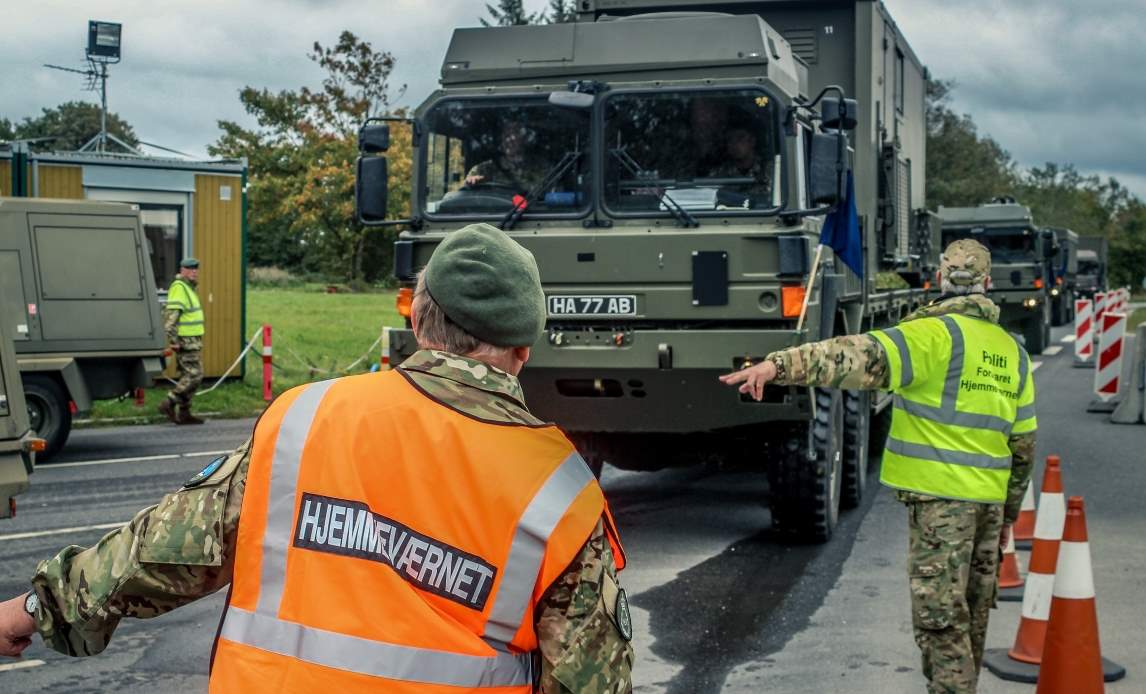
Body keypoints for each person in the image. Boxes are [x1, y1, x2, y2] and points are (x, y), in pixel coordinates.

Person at [0, 223, 635, 693]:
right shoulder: (559, 492)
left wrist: (36, 609)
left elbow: (168, 547)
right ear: (524, 347)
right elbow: (592, 680)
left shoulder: (304, 418)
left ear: (418, 319)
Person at [720, 239, 1037, 694]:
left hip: (941, 507)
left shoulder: (933, 336)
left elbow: (851, 355)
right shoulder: (1013, 353)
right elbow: (1023, 447)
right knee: (971, 622)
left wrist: (777, 365)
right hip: (987, 506)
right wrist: (1007, 517)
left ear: (940, 279)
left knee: (941, 626)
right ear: (988, 284)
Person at [160, 257, 205, 425]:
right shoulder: (179, 288)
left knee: (191, 375)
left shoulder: (188, 288)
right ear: (182, 270)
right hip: (185, 341)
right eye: (190, 269)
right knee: (195, 375)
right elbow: (170, 320)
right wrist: (173, 341)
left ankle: (185, 412)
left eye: (196, 269)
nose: (194, 271)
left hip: (192, 340)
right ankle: (169, 402)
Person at [464, 122, 549, 193]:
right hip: (497, 212)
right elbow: (466, 196)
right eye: (505, 135)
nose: (509, 139)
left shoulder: (543, 168)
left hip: (534, 212)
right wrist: (472, 182)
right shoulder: (484, 169)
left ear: (525, 138)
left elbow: (554, 197)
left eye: (514, 133)